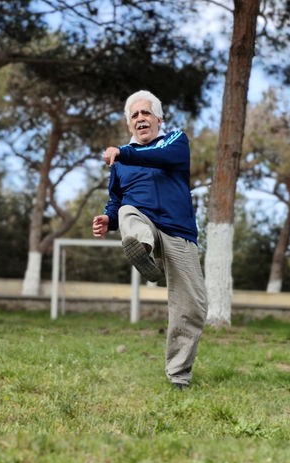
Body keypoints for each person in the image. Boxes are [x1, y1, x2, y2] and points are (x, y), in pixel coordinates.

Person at [92, 90, 207, 390]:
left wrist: (122, 151)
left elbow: (163, 156)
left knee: (193, 306)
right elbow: (115, 200)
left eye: (146, 113)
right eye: (135, 115)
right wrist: (109, 219)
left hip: (178, 231)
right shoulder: (120, 164)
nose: (140, 119)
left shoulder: (174, 141)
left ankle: (179, 376)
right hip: (141, 223)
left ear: (158, 119)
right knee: (129, 211)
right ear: (129, 124)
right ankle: (142, 251)